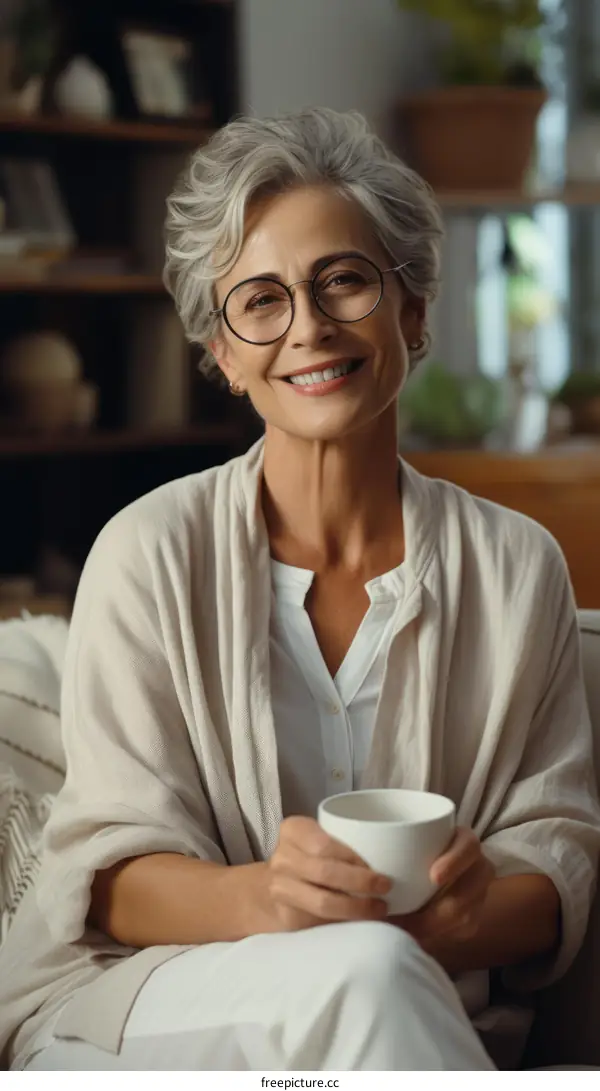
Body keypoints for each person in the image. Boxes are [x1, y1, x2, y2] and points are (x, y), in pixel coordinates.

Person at [1, 107, 599, 1072]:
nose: (310, 327)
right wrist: (268, 901)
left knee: (376, 973)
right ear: (225, 356)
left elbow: (558, 845)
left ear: (412, 308)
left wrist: (475, 912)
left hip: (403, 1014)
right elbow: (103, 876)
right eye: (262, 301)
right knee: (367, 965)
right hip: (142, 1005)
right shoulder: (146, 553)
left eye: (344, 281)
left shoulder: (516, 567)